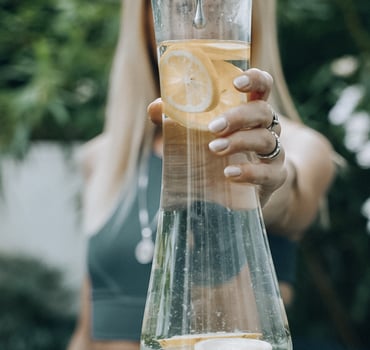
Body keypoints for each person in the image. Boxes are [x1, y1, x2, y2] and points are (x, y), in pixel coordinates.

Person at [67, 0, 335, 349]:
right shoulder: (101, 158)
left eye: (220, 4)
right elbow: (87, 332)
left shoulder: (298, 147)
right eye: (180, 5)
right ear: (146, 18)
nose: (199, 21)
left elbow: (289, 200)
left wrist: (252, 178)